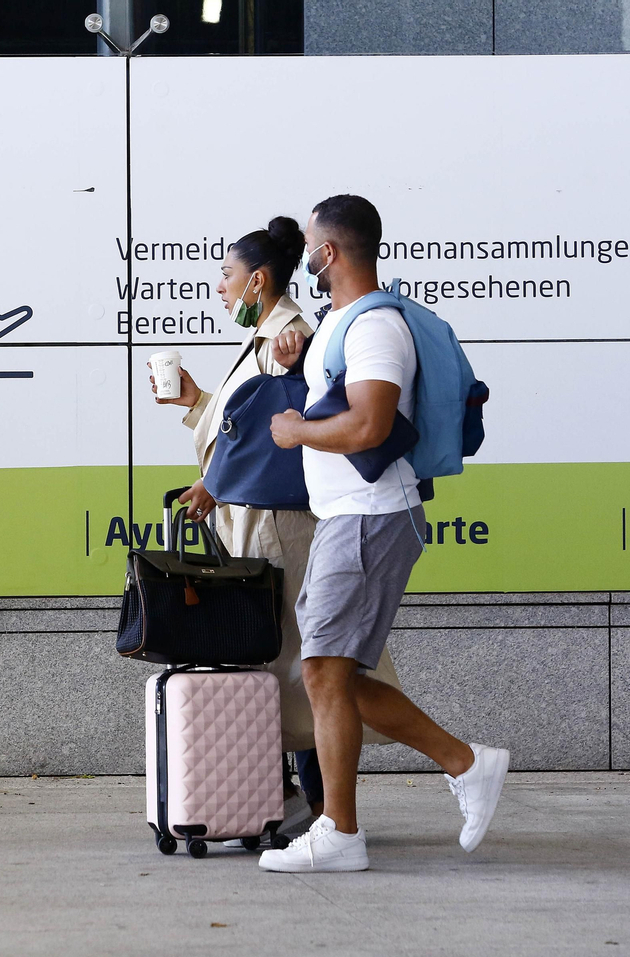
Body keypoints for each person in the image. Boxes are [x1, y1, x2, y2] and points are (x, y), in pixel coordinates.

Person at [258, 195, 508, 872]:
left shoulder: (375, 329)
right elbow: (336, 397)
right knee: (332, 676)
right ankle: (465, 764)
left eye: (311, 244)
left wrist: (296, 431)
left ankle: (340, 833)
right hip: (349, 515)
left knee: (323, 670)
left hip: (370, 515)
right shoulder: (340, 324)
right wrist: (295, 359)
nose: (305, 254)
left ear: (329, 253)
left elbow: (369, 425)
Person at [151, 215, 404, 838]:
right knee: (290, 658)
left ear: (257, 279)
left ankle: (323, 811)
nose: (219, 288)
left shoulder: (288, 333)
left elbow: (280, 433)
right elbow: (247, 425)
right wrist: (197, 406)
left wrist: (218, 478)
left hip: (280, 522)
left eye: (227, 276)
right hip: (258, 517)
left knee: (302, 662)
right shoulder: (270, 331)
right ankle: (297, 802)